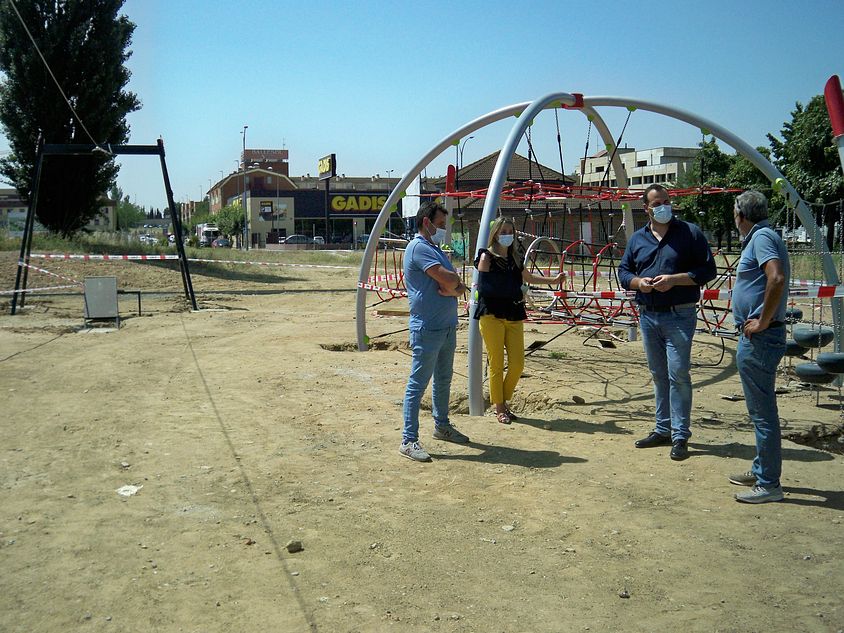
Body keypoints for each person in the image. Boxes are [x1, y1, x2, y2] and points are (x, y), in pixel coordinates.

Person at [618, 184, 717, 460]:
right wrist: (640, 283)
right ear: (646, 208)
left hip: (680, 313)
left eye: (666, 201)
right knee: (659, 375)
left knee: (679, 374)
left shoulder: (689, 233)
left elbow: (708, 270)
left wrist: (675, 279)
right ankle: (663, 429)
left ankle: (680, 435)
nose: (663, 206)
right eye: (657, 203)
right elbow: (624, 271)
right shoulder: (638, 239)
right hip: (648, 314)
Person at [728, 191, 789, 503]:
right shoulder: (763, 236)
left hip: (760, 338)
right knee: (760, 411)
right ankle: (762, 468)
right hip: (760, 336)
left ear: (742, 215)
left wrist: (762, 321)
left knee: (763, 413)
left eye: (734, 215)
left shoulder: (762, 237)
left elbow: (775, 278)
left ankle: (768, 484)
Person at [474, 217, 565, 424]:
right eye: (503, 230)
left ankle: (503, 400)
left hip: (513, 313)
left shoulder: (516, 257)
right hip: (492, 315)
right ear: (495, 233)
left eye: (510, 231)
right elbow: (484, 285)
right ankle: (499, 407)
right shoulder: (486, 257)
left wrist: (553, 280)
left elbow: (529, 278)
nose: (507, 234)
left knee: (517, 363)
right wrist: (513, 290)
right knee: (496, 363)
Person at [399, 200, 470, 462]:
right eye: (440, 224)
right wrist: (456, 286)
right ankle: (408, 440)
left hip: (447, 326)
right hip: (428, 327)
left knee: (443, 380)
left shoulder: (434, 247)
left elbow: (454, 283)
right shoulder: (419, 247)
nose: (443, 229)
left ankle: (442, 426)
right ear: (426, 222)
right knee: (417, 384)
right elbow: (452, 280)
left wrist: (456, 287)